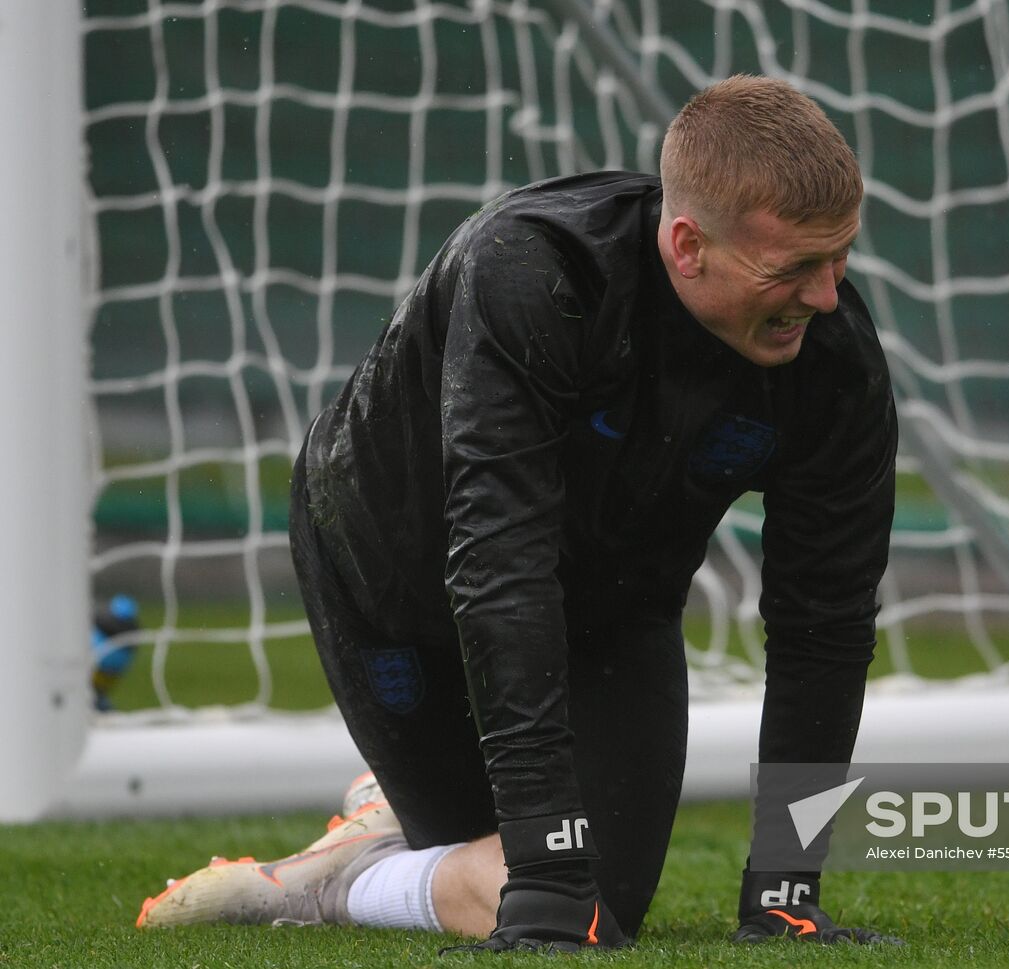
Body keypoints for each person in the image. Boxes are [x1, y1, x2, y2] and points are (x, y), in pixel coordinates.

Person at [136, 74, 899, 951]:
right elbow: (499, 562)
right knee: (542, 891)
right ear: (688, 245)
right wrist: (541, 863)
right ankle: (328, 884)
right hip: (396, 589)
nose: (828, 296)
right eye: (795, 267)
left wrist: (785, 886)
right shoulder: (536, 271)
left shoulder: (833, 358)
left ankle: (370, 842)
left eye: (839, 257)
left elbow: (826, 620)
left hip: (610, 605)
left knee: (599, 903)